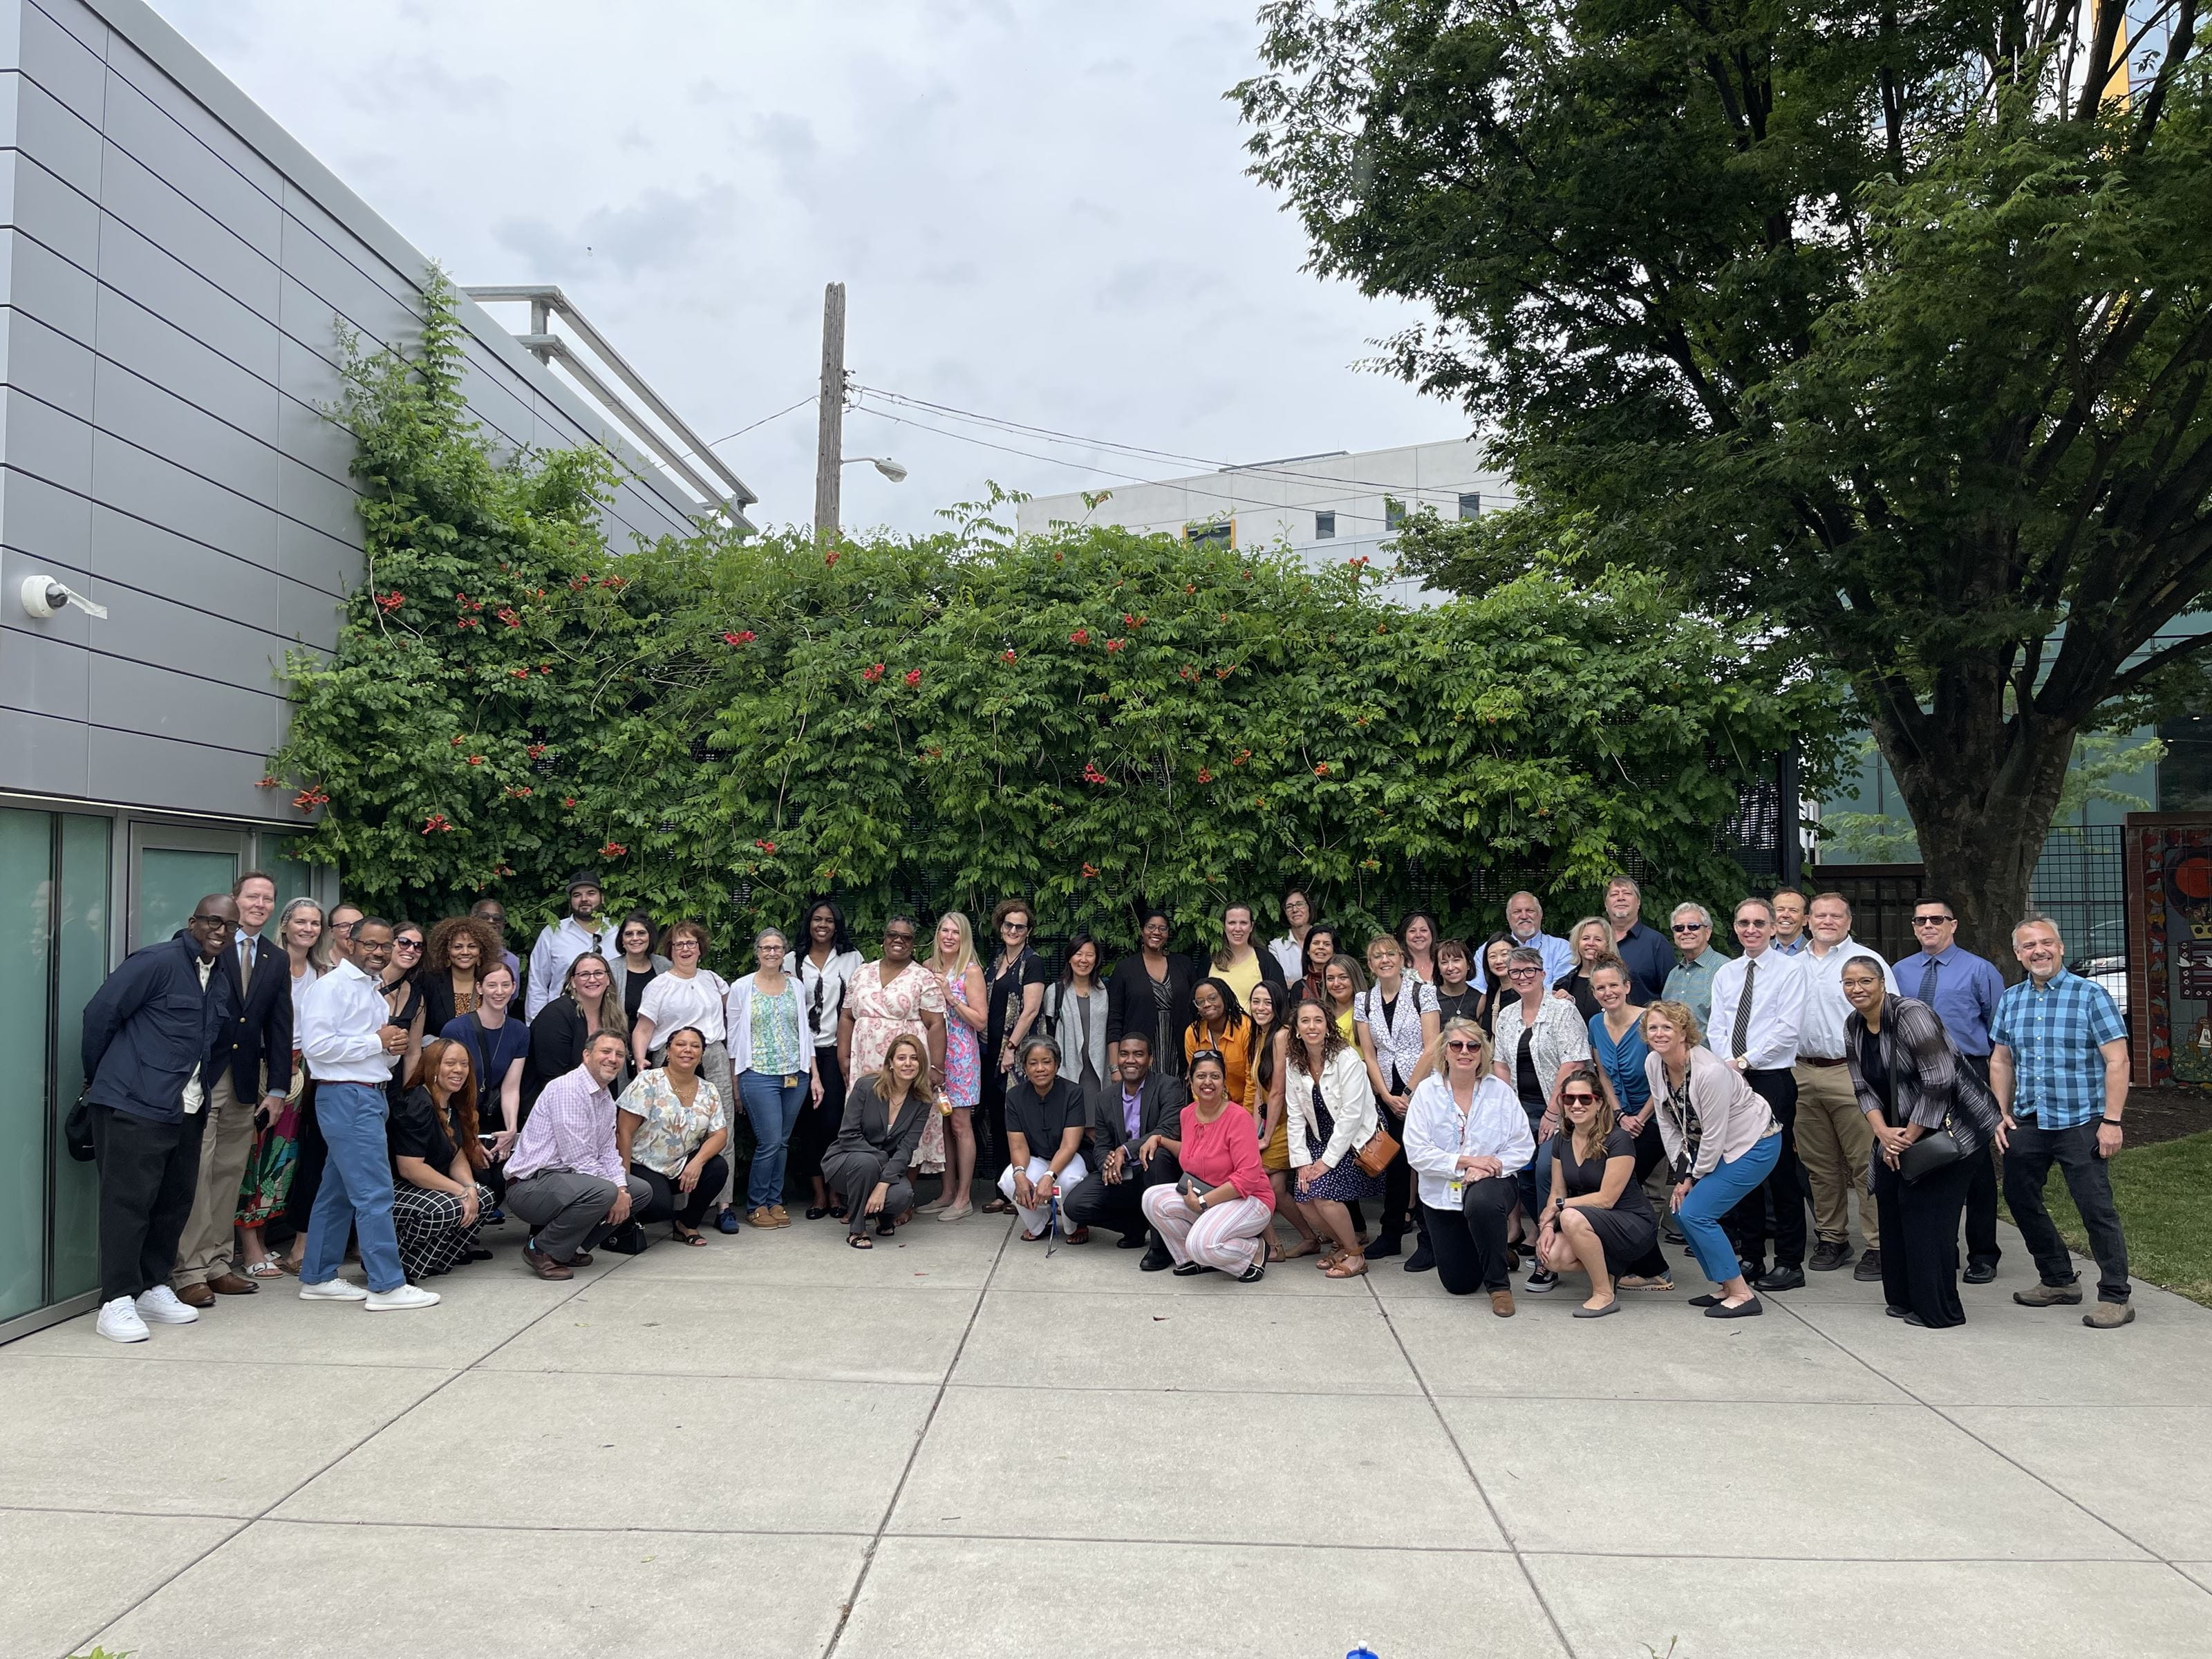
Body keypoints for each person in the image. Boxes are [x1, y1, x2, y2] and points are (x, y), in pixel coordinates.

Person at [80, 893, 237, 1342]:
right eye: (212, 921)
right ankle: (116, 1300)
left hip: (186, 1108)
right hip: (134, 1105)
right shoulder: (155, 962)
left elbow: (217, 1042)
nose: (220, 931)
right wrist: (105, 1078)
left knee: (172, 1204)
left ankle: (152, 1286)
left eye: (229, 926)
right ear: (193, 921)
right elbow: (100, 1015)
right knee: (127, 1205)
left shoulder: (220, 974)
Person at [1840, 960, 2005, 1328]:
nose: (1857, 989)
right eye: (1849, 983)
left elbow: (1939, 1079)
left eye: (1865, 981)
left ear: (1882, 983)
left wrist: (1907, 1139)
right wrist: (1883, 1133)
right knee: (1890, 1203)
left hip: (1951, 1129)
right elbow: (1861, 1086)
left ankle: (1939, 1311)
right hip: (1897, 1131)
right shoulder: (1853, 1025)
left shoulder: (1912, 1014)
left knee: (1926, 1217)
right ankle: (1903, 1299)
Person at [1991, 914, 2135, 1329]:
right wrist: (2001, 1112)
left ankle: (2116, 1296)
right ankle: (2057, 1279)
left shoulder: (2091, 996)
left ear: (2061, 947)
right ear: (2018, 954)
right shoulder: (2011, 999)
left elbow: (2118, 1060)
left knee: (2095, 1208)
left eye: (2046, 943)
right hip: (2029, 1120)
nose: (2039, 951)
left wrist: (2112, 1121)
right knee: (2019, 1197)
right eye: (2029, 946)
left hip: (2082, 1120)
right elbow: (2001, 1060)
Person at [294, 917, 440, 1311]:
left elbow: (372, 1052)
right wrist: (376, 1041)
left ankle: (318, 1277)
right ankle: (387, 1286)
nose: (379, 952)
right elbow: (317, 1048)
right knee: (375, 1192)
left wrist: (390, 1048)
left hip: (365, 1094)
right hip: (348, 1096)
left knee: (337, 1192)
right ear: (351, 943)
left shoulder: (372, 992)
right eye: (370, 945)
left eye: (385, 946)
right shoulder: (331, 987)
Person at [172, 871, 292, 1306]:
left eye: (268, 899)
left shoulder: (275, 959)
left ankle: (219, 1264)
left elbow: (279, 1026)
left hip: (244, 1084)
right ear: (234, 899)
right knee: (198, 1173)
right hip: (200, 1078)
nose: (260, 904)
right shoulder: (204, 943)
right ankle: (189, 1270)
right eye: (252, 896)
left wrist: (277, 1088)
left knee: (228, 1174)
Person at [1644, 1000, 1777, 1318]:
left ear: (1684, 1033)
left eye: (1667, 1027)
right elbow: (1668, 1122)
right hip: (1713, 1147)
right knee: (1681, 1210)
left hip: (1754, 1145)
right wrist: (1681, 1175)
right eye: (1653, 1027)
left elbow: (1715, 1135)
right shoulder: (1654, 1063)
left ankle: (1743, 1294)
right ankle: (1726, 1286)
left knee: (1696, 1213)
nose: (1659, 1033)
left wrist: (1692, 1177)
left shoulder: (1710, 1072)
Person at [1704, 897, 1808, 1293]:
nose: (1751, 930)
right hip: (1732, 1078)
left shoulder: (1790, 971)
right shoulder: (1727, 973)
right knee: (1739, 1167)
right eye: (1744, 923)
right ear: (1735, 927)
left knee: (1779, 1170)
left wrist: (1745, 1061)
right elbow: (1717, 1025)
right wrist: (1726, 1065)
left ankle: (1789, 1262)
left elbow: (1787, 1028)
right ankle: (1750, 1256)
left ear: (1773, 928)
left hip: (1770, 1078)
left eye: (1759, 923)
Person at [1902, 897, 2008, 1283]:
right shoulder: (1900, 971)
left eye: (1936, 919)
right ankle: (1941, 1249)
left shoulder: (1980, 970)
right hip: (1916, 1075)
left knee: (1975, 1165)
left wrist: (1993, 1086)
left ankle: (1983, 1253)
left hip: (1967, 1071)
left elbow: (1999, 1032)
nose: (1928, 926)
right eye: (1921, 921)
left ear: (1953, 924)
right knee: (1925, 1159)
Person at [1794, 893, 1895, 1281]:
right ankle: (1832, 1237)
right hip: (1803, 1071)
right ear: (1807, 920)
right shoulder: (1792, 964)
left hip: (1851, 1071)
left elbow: (1891, 1016)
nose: (1827, 921)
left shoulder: (1867, 962)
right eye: (1820, 915)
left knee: (1864, 1162)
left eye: (1836, 916)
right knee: (1818, 1164)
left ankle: (1879, 1244)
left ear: (1849, 922)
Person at [1402, 1018, 1530, 1315]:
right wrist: (1467, 1162)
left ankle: (1499, 1287)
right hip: (1441, 1193)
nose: (1465, 1051)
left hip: (1492, 1183)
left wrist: (1489, 1169)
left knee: (1482, 1201)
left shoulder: (1500, 1092)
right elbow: (1417, 1153)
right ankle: (1496, 1249)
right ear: (1444, 1051)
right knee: (1459, 1284)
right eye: (1456, 1045)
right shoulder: (1426, 1093)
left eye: (1473, 1046)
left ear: (1482, 1052)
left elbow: (1523, 1145)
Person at [505, 1031, 652, 1280]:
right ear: (587, 1055)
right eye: (606, 1051)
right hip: (530, 1186)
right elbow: (578, 1159)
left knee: (639, 1191)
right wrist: (615, 1192)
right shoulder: (568, 1089)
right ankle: (541, 1249)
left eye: (619, 1054)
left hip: (567, 1182)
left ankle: (569, 1247)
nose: (613, 1059)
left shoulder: (604, 1098)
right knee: (605, 1191)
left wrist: (622, 1189)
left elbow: (608, 1152)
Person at [1490, 944, 1593, 1288]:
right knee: (1523, 1175)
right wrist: (1509, 1109)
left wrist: (1552, 1111)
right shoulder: (1507, 1015)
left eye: (1529, 970)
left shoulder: (1563, 1010)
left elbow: (1573, 1062)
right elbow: (1500, 1063)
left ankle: (1550, 1255)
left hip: (1562, 1110)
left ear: (1543, 974)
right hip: (1520, 1109)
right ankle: (1545, 1239)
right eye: (1515, 972)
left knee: (1548, 1171)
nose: (1522, 977)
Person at [238, 896, 324, 1280]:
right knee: (255, 1154)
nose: (308, 929)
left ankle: (268, 1236)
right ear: (285, 924)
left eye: (315, 923)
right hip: (267, 1067)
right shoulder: (266, 963)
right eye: (301, 921)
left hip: (307, 1069)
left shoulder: (322, 972)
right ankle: (250, 1246)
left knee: (284, 1159)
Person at [1138, 1049, 1275, 1282]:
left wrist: (1203, 1202)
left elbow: (1248, 1178)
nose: (1208, 1082)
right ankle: (1197, 1259)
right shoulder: (1188, 1114)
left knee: (1201, 1245)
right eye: (1201, 1076)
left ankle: (1253, 1251)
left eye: (1215, 1076)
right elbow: (1195, 1154)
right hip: (1209, 1196)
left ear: (1224, 1081)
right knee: (1152, 1199)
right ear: (1190, 1081)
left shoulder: (1238, 1118)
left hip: (1249, 1200)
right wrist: (1160, 1139)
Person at [1535, 1062, 1659, 1317]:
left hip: (1631, 1222)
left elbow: (1607, 1199)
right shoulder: (1562, 1139)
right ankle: (1610, 1268)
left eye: (1585, 1099)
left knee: (1571, 1216)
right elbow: (1557, 1191)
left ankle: (1604, 1294)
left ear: (1600, 1103)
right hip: (1591, 1220)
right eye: (1569, 1099)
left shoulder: (1618, 1139)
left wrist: (1560, 1208)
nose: (1576, 1105)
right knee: (1553, 1256)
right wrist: (1546, 1227)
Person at [1063, 1029, 1187, 1262]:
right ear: (1117, 1059)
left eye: (1138, 1054)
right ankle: (1135, 1226)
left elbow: (1168, 1129)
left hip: (1158, 1172)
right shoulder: (1104, 1098)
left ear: (1150, 1059)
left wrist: (1125, 1150)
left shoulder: (1168, 1086)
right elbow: (1101, 1144)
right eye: (1124, 1054)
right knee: (1075, 1205)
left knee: (1156, 1155)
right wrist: (1108, 1162)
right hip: (1125, 1175)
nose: (1130, 1060)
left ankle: (1161, 1247)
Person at [725, 926, 820, 1229]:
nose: (771, 952)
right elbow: (733, 1036)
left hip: (795, 1075)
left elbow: (805, 1032)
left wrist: (814, 1075)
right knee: (768, 1141)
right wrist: (735, 1080)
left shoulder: (796, 987)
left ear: (784, 953)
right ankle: (756, 1205)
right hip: (758, 1075)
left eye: (777, 948)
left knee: (781, 1142)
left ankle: (774, 1201)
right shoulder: (742, 987)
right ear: (757, 952)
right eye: (766, 948)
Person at [1353, 935, 1439, 1266]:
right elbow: (1369, 1054)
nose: (1385, 960)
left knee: (1424, 1162)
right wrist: (1387, 1096)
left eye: (1390, 954)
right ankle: (1390, 1235)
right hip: (1387, 1092)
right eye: (1377, 956)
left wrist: (1408, 1092)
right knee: (1395, 1164)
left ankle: (1430, 1240)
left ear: (1402, 958)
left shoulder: (1423, 992)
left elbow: (1432, 1047)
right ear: (1370, 964)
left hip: (1421, 1088)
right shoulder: (1365, 1000)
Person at [1586, 957, 1671, 1288]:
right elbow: (1603, 1074)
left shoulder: (1649, 1022)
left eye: (1613, 985)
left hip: (1656, 1116)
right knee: (1616, 1186)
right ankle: (1638, 1262)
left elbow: (1664, 1075)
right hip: (1618, 1117)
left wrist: (1641, 1117)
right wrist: (1620, 1113)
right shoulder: (1596, 1024)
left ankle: (1655, 1269)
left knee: (1622, 1186)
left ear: (1627, 987)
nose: (1608, 992)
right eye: (1600, 987)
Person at [630, 923, 734, 1194]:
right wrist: (640, 1061)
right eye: (679, 944)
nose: (685, 949)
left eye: (691, 943)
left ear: (700, 949)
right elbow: (643, 1028)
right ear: (671, 950)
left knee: (723, 1128)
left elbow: (737, 1012)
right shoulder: (659, 985)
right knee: (673, 1130)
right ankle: (676, 1202)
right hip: (672, 1059)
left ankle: (723, 1203)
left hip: (713, 1055)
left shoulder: (713, 980)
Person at [838, 915, 950, 1165]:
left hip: (906, 1064)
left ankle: (902, 1184)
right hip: (865, 1062)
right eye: (893, 935)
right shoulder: (862, 972)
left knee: (904, 1120)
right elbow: (846, 1016)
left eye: (906, 937)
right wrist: (843, 1057)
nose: (898, 940)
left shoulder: (923, 977)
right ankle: (867, 1177)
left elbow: (936, 1024)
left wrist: (936, 1067)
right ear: (884, 938)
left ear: (913, 943)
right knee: (867, 1118)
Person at [1283, 997, 1381, 1278]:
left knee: (1323, 1195)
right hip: (1319, 1136)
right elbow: (1295, 1116)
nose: (1312, 1026)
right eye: (1305, 1021)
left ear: (1328, 1026)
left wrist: (1326, 1162)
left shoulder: (1347, 1058)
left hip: (1355, 1140)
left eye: (1318, 1020)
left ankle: (1356, 1255)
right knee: (1303, 1197)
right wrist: (1302, 1162)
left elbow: (1351, 1115)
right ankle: (1341, 1246)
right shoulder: (1294, 1063)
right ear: (1297, 1030)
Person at [388, 1039, 494, 1280]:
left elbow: (455, 1153)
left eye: (464, 1064)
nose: (459, 1070)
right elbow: (410, 1169)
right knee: (447, 1207)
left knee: (483, 1196)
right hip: (396, 1186)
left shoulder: (451, 1101)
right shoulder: (416, 1103)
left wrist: (469, 1187)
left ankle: (436, 1261)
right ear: (433, 1067)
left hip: (422, 1186)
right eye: (450, 1063)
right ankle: (397, 1262)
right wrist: (460, 1191)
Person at [616, 1025, 731, 1244]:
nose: (688, 1050)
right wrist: (623, 1183)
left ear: (701, 1055)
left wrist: (697, 1162)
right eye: (680, 1044)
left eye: (695, 1046)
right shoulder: (648, 1081)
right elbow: (623, 1132)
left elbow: (720, 1135)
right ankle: (622, 1222)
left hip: (680, 1166)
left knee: (717, 1168)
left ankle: (686, 1224)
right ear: (668, 1052)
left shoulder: (709, 1090)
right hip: (641, 1164)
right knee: (659, 1208)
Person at [787, 898, 864, 1221]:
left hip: (836, 1049)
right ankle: (818, 1193)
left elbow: (858, 1006)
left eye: (829, 920)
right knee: (807, 1124)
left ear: (837, 925)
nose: (823, 925)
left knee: (835, 1122)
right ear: (809, 923)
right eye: (817, 919)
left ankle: (836, 1191)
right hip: (801, 1052)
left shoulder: (852, 958)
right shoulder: (792, 960)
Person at [821, 1031, 932, 1247]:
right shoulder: (866, 1086)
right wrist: (882, 1159)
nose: (908, 1064)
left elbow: (907, 1148)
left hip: (884, 1168)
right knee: (867, 1163)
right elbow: (848, 1135)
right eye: (901, 1058)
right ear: (890, 1063)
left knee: (903, 1195)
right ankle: (857, 1229)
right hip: (846, 1161)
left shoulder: (922, 1101)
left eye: (914, 1058)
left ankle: (884, 1217)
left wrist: (883, 1185)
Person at [980, 897, 1050, 1194]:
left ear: (1028, 931)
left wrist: (1011, 1048)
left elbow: (1031, 1010)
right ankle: (1003, 1191)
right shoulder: (996, 961)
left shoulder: (1032, 962)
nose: (1013, 931)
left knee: (1018, 1121)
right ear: (1001, 926)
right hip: (990, 1051)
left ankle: (1024, 1188)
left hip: (1018, 1055)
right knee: (997, 1119)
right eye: (1009, 925)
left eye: (1020, 927)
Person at [1247, 980, 1321, 1259]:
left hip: (1288, 1122)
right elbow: (1260, 1091)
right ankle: (1310, 1239)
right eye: (1256, 1001)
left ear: (1278, 1005)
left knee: (1251, 1175)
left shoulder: (1282, 1035)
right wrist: (1252, 1133)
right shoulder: (1260, 1035)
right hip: (1271, 1120)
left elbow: (1278, 1090)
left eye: (1267, 1002)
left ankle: (1274, 1245)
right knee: (1275, 1189)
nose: (1260, 1008)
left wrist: (1266, 1137)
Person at [921, 912, 986, 1219]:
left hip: (961, 1056)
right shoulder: (927, 967)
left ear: (964, 938)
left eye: (955, 932)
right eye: (944, 931)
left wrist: (950, 996)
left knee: (961, 1124)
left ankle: (964, 1198)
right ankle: (946, 1193)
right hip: (934, 1055)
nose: (949, 937)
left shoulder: (970, 971)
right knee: (942, 1124)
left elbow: (981, 1021)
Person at [996, 1035, 1090, 1241]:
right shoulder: (1015, 1096)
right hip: (1037, 1157)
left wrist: (1049, 1176)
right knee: (1009, 1180)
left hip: (1070, 1158)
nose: (1040, 1069)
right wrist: (1020, 1174)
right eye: (1033, 1063)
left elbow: (1069, 1145)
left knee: (1068, 1181)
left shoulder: (1073, 1092)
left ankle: (1075, 1225)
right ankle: (1040, 1223)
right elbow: (1018, 1146)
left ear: (1057, 1065)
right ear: (1024, 1067)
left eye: (1046, 1062)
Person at [440, 960, 527, 1170]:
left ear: (514, 988)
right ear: (479, 988)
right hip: (458, 1119)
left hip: (491, 1119)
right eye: (492, 985)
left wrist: (511, 1130)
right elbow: (446, 1091)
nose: (499, 992)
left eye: (505, 985)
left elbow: (510, 1087)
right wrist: (468, 1137)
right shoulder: (456, 1029)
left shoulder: (520, 1031)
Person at [527, 952, 632, 1117]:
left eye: (599, 973)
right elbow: (553, 1078)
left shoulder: (613, 1016)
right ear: (573, 982)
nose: (592, 979)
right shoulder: (556, 1016)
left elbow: (611, 1072)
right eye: (584, 975)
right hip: (555, 1107)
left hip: (595, 1105)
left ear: (608, 980)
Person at [1107, 906, 1199, 1080]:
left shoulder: (1184, 965)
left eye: (1162, 928)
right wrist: (1115, 1067)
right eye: (1151, 927)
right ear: (1142, 931)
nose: (1156, 932)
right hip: (1139, 1056)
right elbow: (1114, 1020)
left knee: (1176, 1095)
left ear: (1168, 934)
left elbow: (1197, 1016)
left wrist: (1196, 1060)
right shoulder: (1125, 968)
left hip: (1180, 1054)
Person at [525, 872, 623, 1019]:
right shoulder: (553, 933)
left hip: (612, 1018)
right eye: (577, 895)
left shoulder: (618, 931)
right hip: (562, 1019)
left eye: (591, 893)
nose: (584, 899)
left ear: (602, 898)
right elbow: (537, 983)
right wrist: (536, 1023)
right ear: (570, 901)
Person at [1052, 932, 1113, 1146]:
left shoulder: (1106, 991)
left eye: (1090, 955)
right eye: (1079, 954)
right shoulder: (1055, 991)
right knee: (1072, 1129)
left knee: (1100, 1130)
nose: (1084, 960)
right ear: (1070, 957)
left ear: (1096, 960)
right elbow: (1047, 1034)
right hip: (1069, 1071)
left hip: (1099, 1070)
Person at [1184, 975, 1259, 1118]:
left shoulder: (1246, 1029)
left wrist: (1244, 1116)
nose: (1207, 1004)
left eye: (1212, 998)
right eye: (1200, 1002)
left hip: (1244, 1108)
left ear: (1224, 997)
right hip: (1210, 1110)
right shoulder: (1192, 1033)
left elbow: (1252, 1080)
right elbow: (1196, 1082)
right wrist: (1208, 1114)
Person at [1477, 890, 1572, 991]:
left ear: (1540, 915)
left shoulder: (1562, 948)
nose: (1524, 916)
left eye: (1530, 911)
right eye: (1517, 912)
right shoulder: (1488, 950)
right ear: (1508, 918)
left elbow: (1561, 988)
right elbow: (1477, 989)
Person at [1602, 874, 1674, 1004]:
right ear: (1606, 905)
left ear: (1638, 902)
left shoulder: (1656, 943)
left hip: (1645, 1017)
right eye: (1614, 894)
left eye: (1627, 893)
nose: (1621, 898)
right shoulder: (1595, 942)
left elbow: (1672, 994)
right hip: (1598, 1018)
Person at [379, 921, 429, 1105]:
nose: (411, 950)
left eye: (418, 946)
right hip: (356, 1079)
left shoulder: (417, 996)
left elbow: (413, 1053)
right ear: (389, 943)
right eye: (404, 942)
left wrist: (407, 1097)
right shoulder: (365, 982)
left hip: (393, 1084)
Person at [1660, 903, 1730, 1029]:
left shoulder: (1726, 969)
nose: (1686, 932)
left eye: (1693, 927)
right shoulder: (1673, 974)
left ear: (1708, 932)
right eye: (1679, 928)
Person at [1212, 901, 1286, 1011]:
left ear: (1251, 927)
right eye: (1232, 923)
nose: (1238, 929)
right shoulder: (1210, 961)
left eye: (1243, 923)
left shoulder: (1266, 961)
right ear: (1224, 926)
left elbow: (1280, 1002)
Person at [1552, 917, 1618, 1020]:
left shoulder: (1619, 979)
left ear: (1608, 945)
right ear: (1577, 943)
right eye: (1586, 938)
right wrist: (1565, 1003)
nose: (1591, 943)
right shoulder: (1563, 984)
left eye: (1598, 939)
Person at [613, 910, 667, 1026]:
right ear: (622, 940)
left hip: (661, 1035)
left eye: (641, 933)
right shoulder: (611, 970)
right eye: (629, 934)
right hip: (621, 1034)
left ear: (650, 937)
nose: (635, 938)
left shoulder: (665, 966)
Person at [470, 897, 523, 988]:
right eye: (484, 917)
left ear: (503, 926)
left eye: (497, 918)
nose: (491, 921)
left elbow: (511, 995)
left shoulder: (512, 961)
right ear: (472, 921)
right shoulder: (460, 954)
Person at [1469, 933, 1516, 1033]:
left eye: (1504, 954)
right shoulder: (1492, 993)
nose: (1499, 961)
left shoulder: (1527, 992)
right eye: (1493, 956)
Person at [1268, 887, 1314, 982]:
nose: (1295, 910)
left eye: (1300, 904)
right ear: (1285, 913)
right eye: (1289, 907)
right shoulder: (1276, 947)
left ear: (1309, 907)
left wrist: (1291, 984)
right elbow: (1277, 983)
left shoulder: (1325, 940)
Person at [1433, 938, 1481, 1026]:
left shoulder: (1480, 1000)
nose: (1451, 968)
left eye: (1456, 961)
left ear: (1468, 964)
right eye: (1444, 962)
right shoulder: (1431, 997)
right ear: (1438, 969)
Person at [1396, 910, 1443, 987]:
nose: (1418, 935)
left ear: (1432, 934)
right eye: (1412, 931)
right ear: (1405, 935)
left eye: (1423, 930)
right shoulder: (1397, 967)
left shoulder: (1443, 963)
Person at [1770, 888, 1810, 954]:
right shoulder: (1758, 952)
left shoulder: (1816, 952)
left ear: (1805, 920)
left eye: (1793, 911)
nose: (1786, 915)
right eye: (1780, 910)